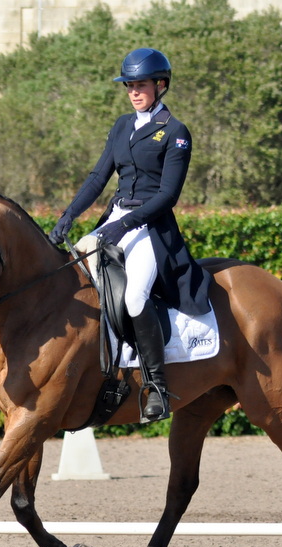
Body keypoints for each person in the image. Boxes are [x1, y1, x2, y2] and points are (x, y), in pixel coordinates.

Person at [48, 47, 210, 422]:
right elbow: (97, 178)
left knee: (136, 295)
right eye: (129, 86)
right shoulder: (122, 126)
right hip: (115, 217)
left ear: (160, 85)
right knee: (75, 277)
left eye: (141, 85)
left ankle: (156, 386)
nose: (134, 91)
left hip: (151, 226)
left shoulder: (175, 132)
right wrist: (69, 215)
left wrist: (125, 224)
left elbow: (169, 195)